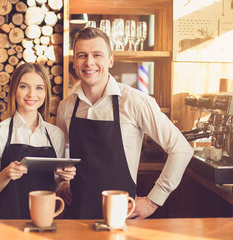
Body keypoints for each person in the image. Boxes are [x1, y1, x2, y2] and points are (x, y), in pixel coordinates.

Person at [56, 27, 194, 219]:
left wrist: (154, 200)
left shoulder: (134, 101)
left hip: (121, 217)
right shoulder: (66, 106)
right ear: (74, 61)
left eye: (97, 55)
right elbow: (64, 150)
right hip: (75, 215)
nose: (89, 62)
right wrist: (61, 182)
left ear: (110, 60)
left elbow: (181, 149)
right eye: (82, 55)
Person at [0, 62, 76, 219]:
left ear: (45, 93)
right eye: (24, 86)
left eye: (39, 88)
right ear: (14, 90)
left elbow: (53, 185)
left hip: (44, 223)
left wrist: (64, 179)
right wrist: (6, 175)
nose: (32, 94)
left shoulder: (56, 135)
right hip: (6, 224)